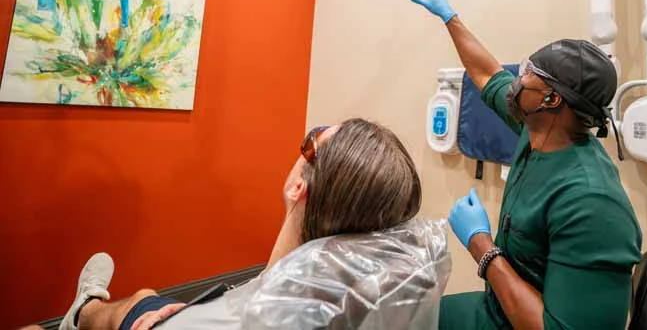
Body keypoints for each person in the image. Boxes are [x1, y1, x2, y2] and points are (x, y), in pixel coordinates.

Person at [411, 0, 643, 330]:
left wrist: (481, 245)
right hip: (496, 309)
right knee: (403, 317)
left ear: (551, 98)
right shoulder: (537, 129)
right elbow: (488, 74)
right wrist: (449, 17)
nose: (518, 78)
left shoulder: (592, 203)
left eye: (528, 73)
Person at [56, 118, 422, 330]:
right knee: (148, 297)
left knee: (135, 303)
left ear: (299, 188)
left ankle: (83, 311)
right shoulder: (354, 292)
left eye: (313, 139)